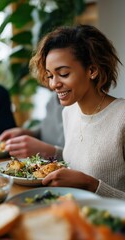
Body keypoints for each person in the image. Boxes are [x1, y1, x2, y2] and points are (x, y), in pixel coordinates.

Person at [29, 24, 125, 199]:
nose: (53, 84)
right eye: (50, 75)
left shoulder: (122, 119)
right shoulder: (69, 112)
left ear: (92, 70)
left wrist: (91, 185)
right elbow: (79, 159)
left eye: (63, 74)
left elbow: (87, 176)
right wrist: (49, 151)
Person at [0, 91, 64, 159]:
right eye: (51, 79)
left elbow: (74, 160)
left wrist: (53, 153)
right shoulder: (54, 96)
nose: (53, 83)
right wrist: (29, 133)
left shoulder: (72, 103)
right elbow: (49, 127)